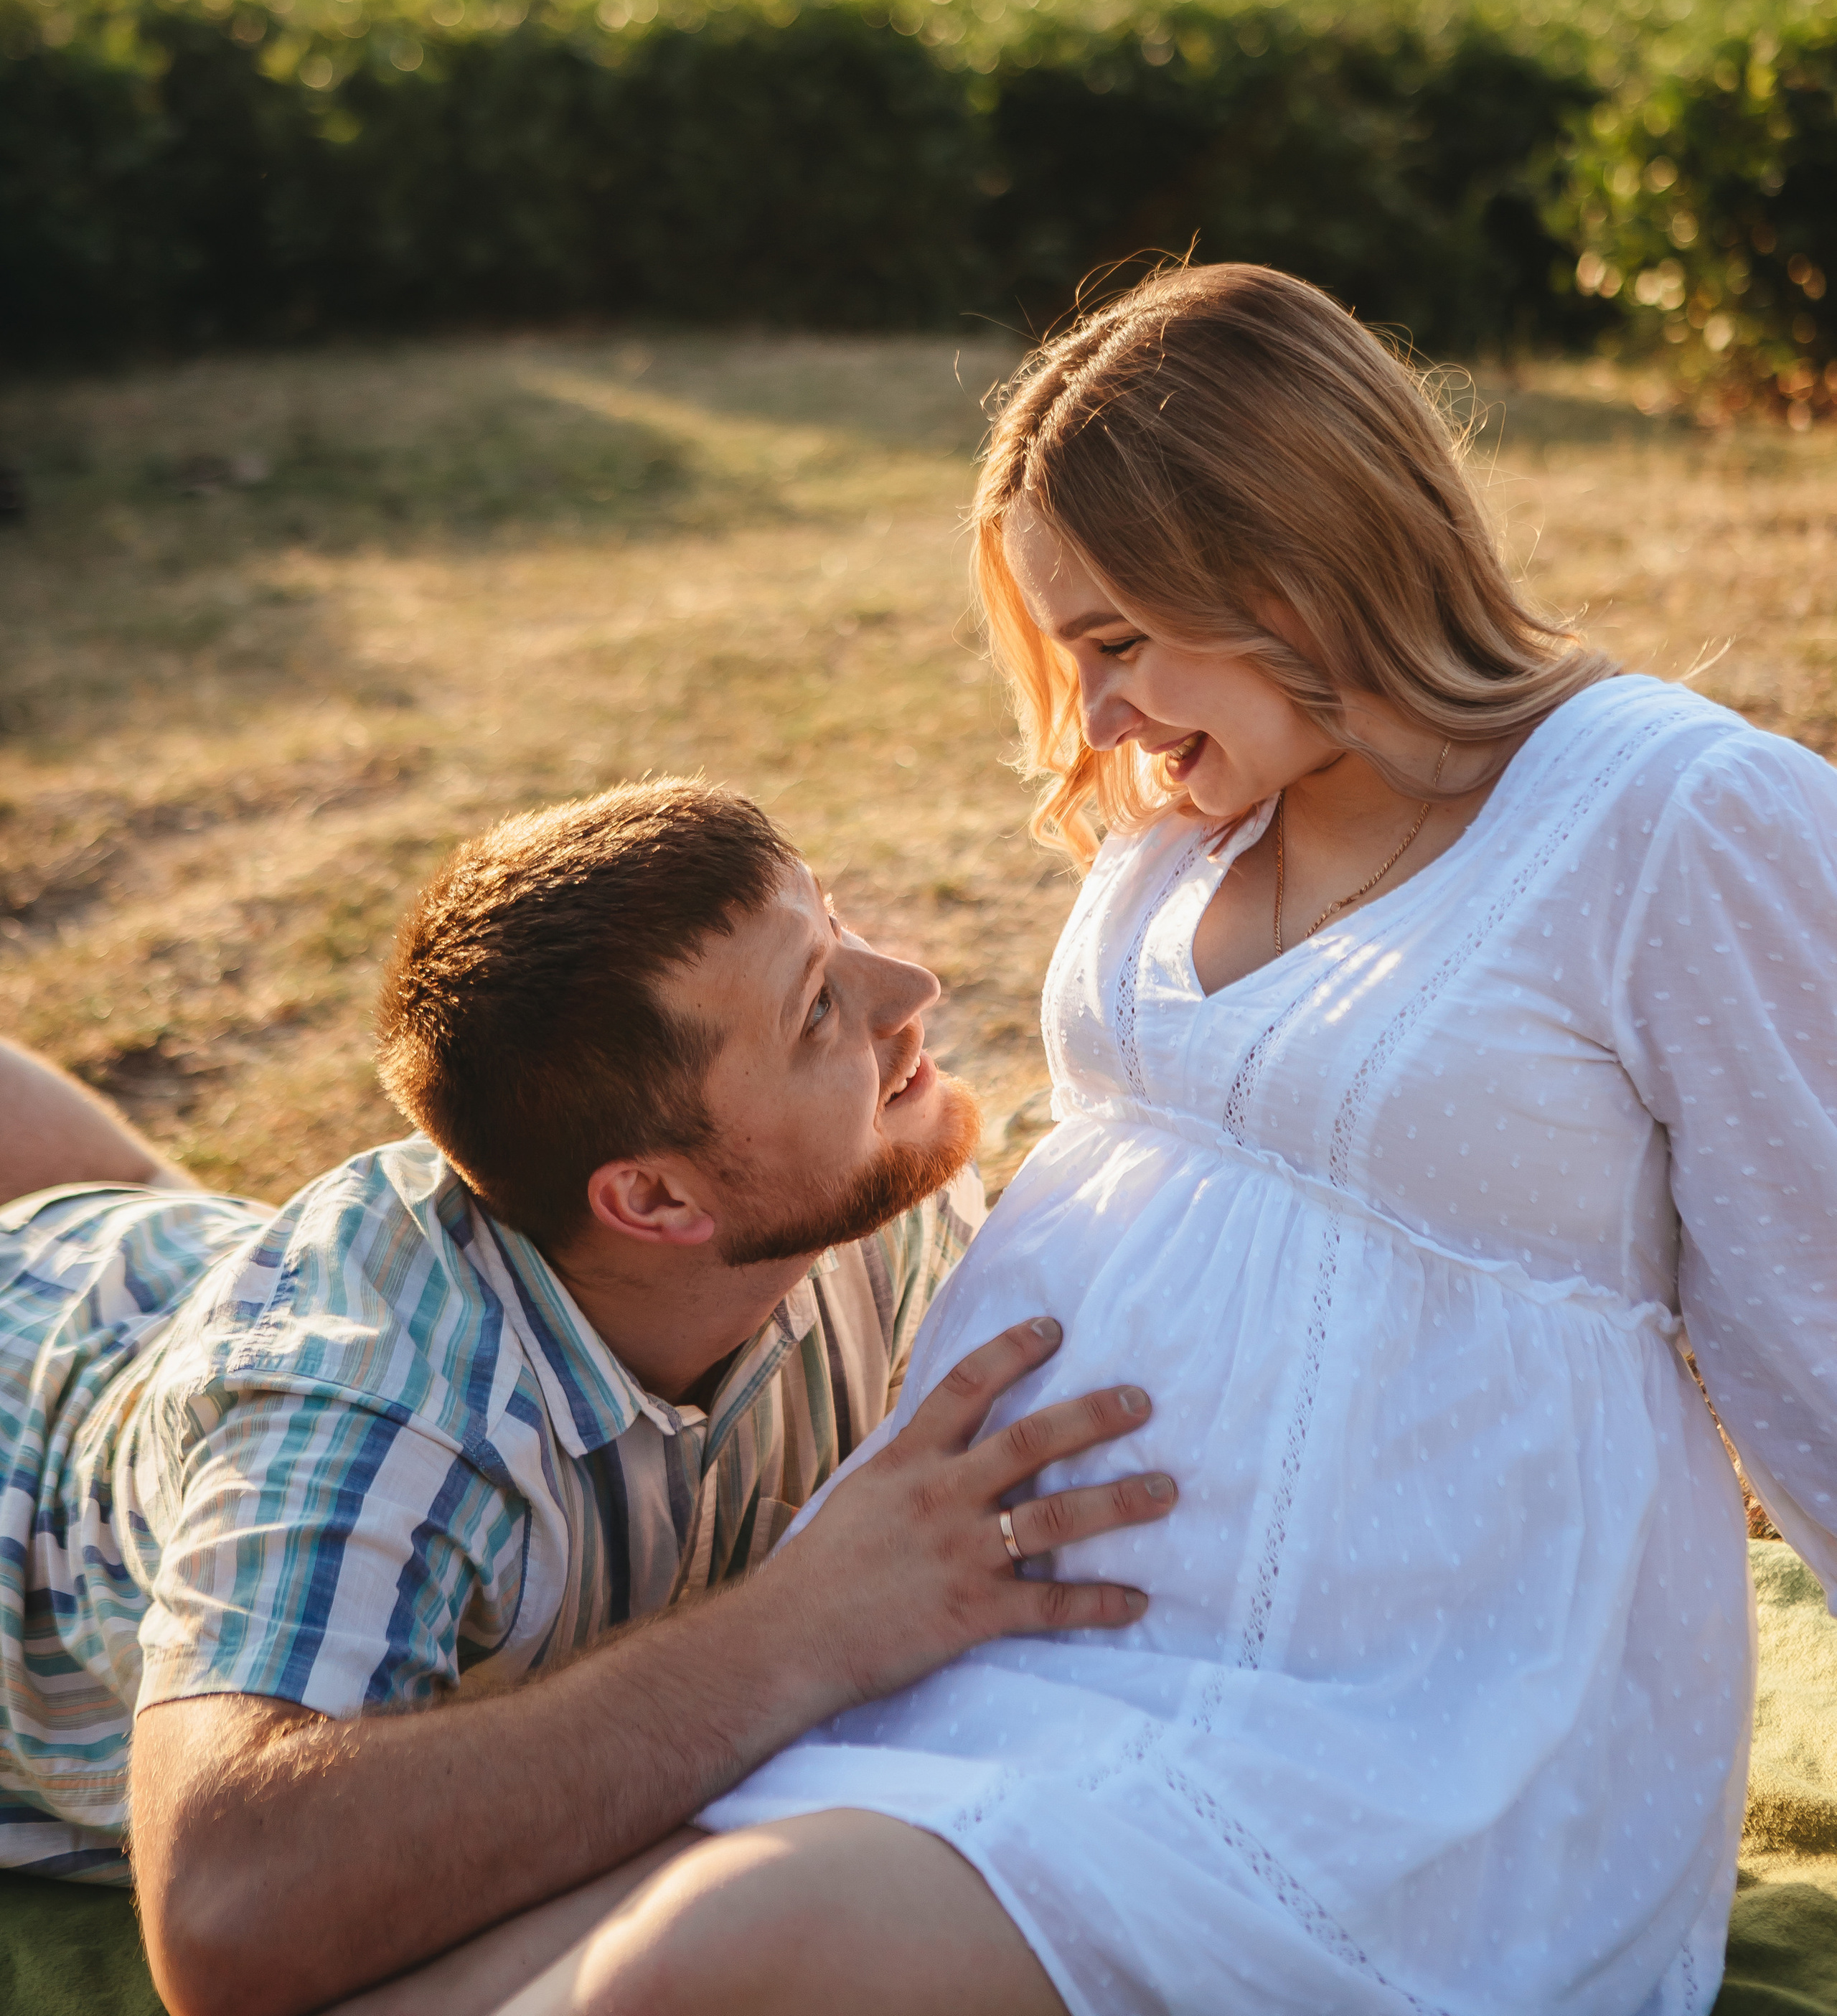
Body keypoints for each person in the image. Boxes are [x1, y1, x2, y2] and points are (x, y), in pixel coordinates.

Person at [461, 264, 1837, 2016]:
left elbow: (1821, 1309)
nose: (1094, 715)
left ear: (1292, 561)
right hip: (1006, 1659)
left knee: (712, 1961)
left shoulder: (1666, 811)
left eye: (1114, 640)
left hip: (1390, 1737)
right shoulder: (1194, 818)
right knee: (488, 1972)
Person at [0, 779, 1177, 2016]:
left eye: (834, 930)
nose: (912, 988)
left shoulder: (870, 1189)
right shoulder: (375, 1408)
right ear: (658, 1201)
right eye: (819, 1006)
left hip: (156, 1261)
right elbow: (224, 1915)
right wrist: (799, 1630)